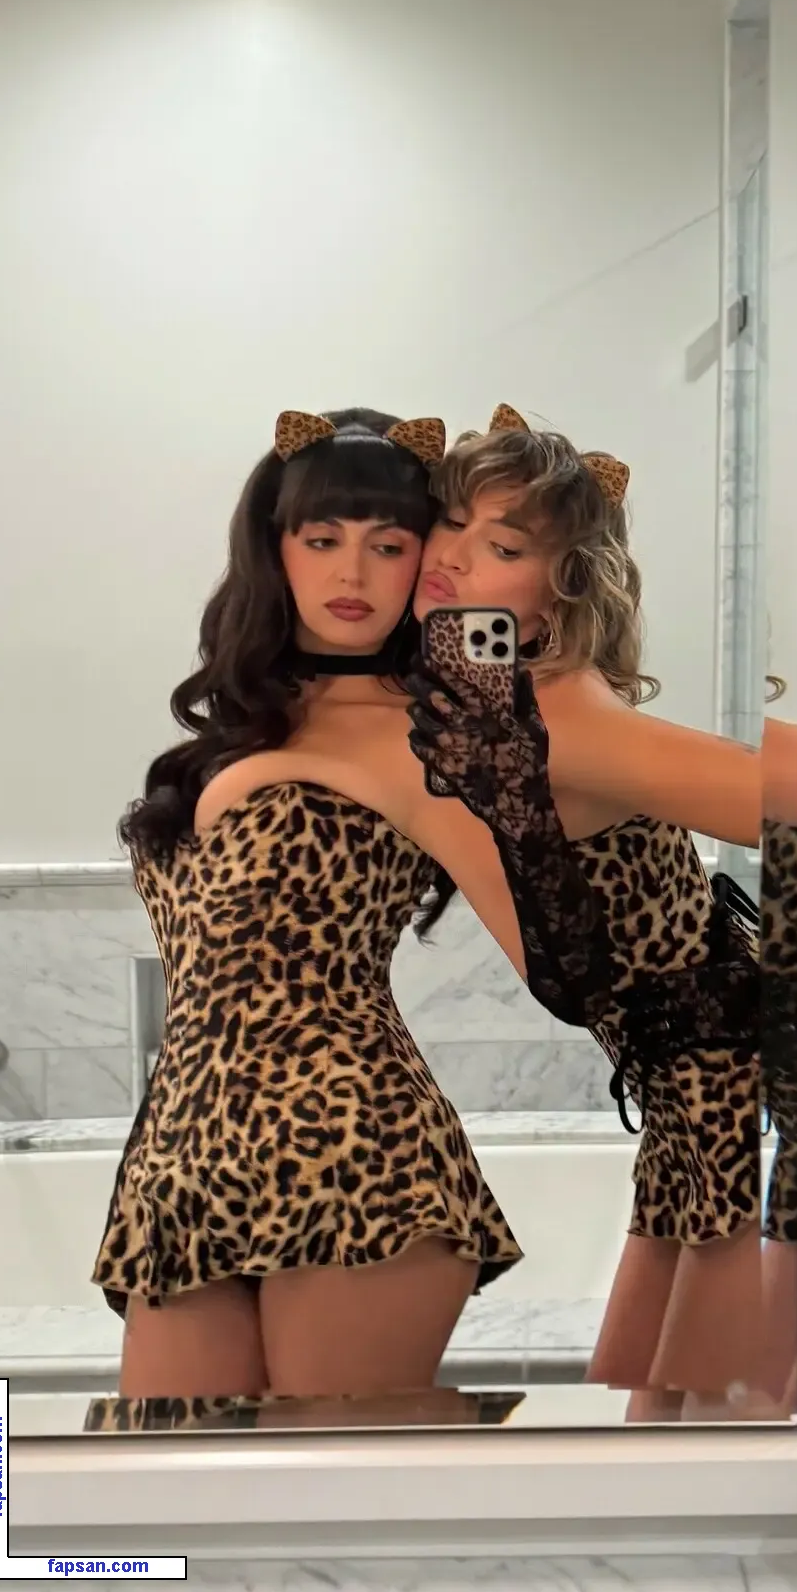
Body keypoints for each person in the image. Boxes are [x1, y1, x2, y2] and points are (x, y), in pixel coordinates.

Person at [91, 406, 613, 1404]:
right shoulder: (249, 726)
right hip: (186, 1159)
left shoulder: (426, 734)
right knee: (168, 1475)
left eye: (389, 544)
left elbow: (567, 961)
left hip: (355, 1154)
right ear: (275, 549)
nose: (354, 574)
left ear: (422, 560)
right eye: (322, 539)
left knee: (326, 1483)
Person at [408, 404, 797, 1421]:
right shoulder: (497, 705)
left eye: (503, 548)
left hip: (725, 1081)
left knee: (719, 1404)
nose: (453, 557)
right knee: (678, 1403)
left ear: (561, 593)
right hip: (690, 1084)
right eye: (449, 522)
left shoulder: (561, 717)